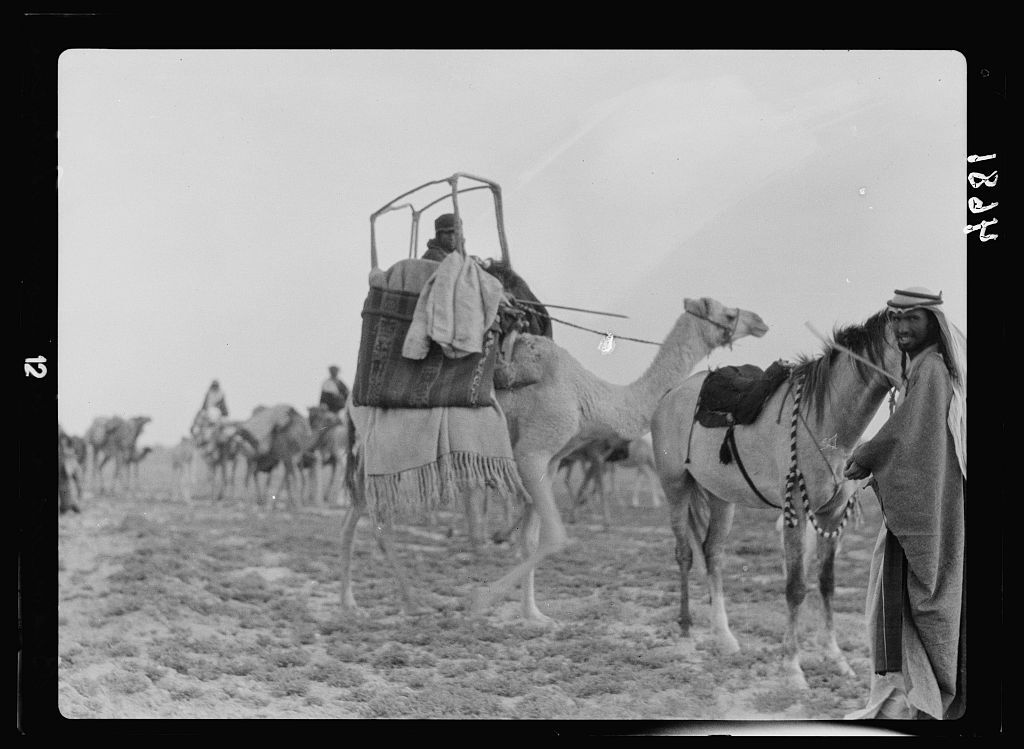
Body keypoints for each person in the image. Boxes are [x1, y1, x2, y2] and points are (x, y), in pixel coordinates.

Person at [842, 287, 966, 721]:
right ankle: (910, 699)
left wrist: (865, 455)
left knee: (922, 594)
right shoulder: (924, 368)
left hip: (932, 502)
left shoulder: (930, 369)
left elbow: (906, 433)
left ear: (933, 321)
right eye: (895, 319)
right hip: (927, 497)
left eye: (912, 318)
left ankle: (924, 700)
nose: (902, 328)